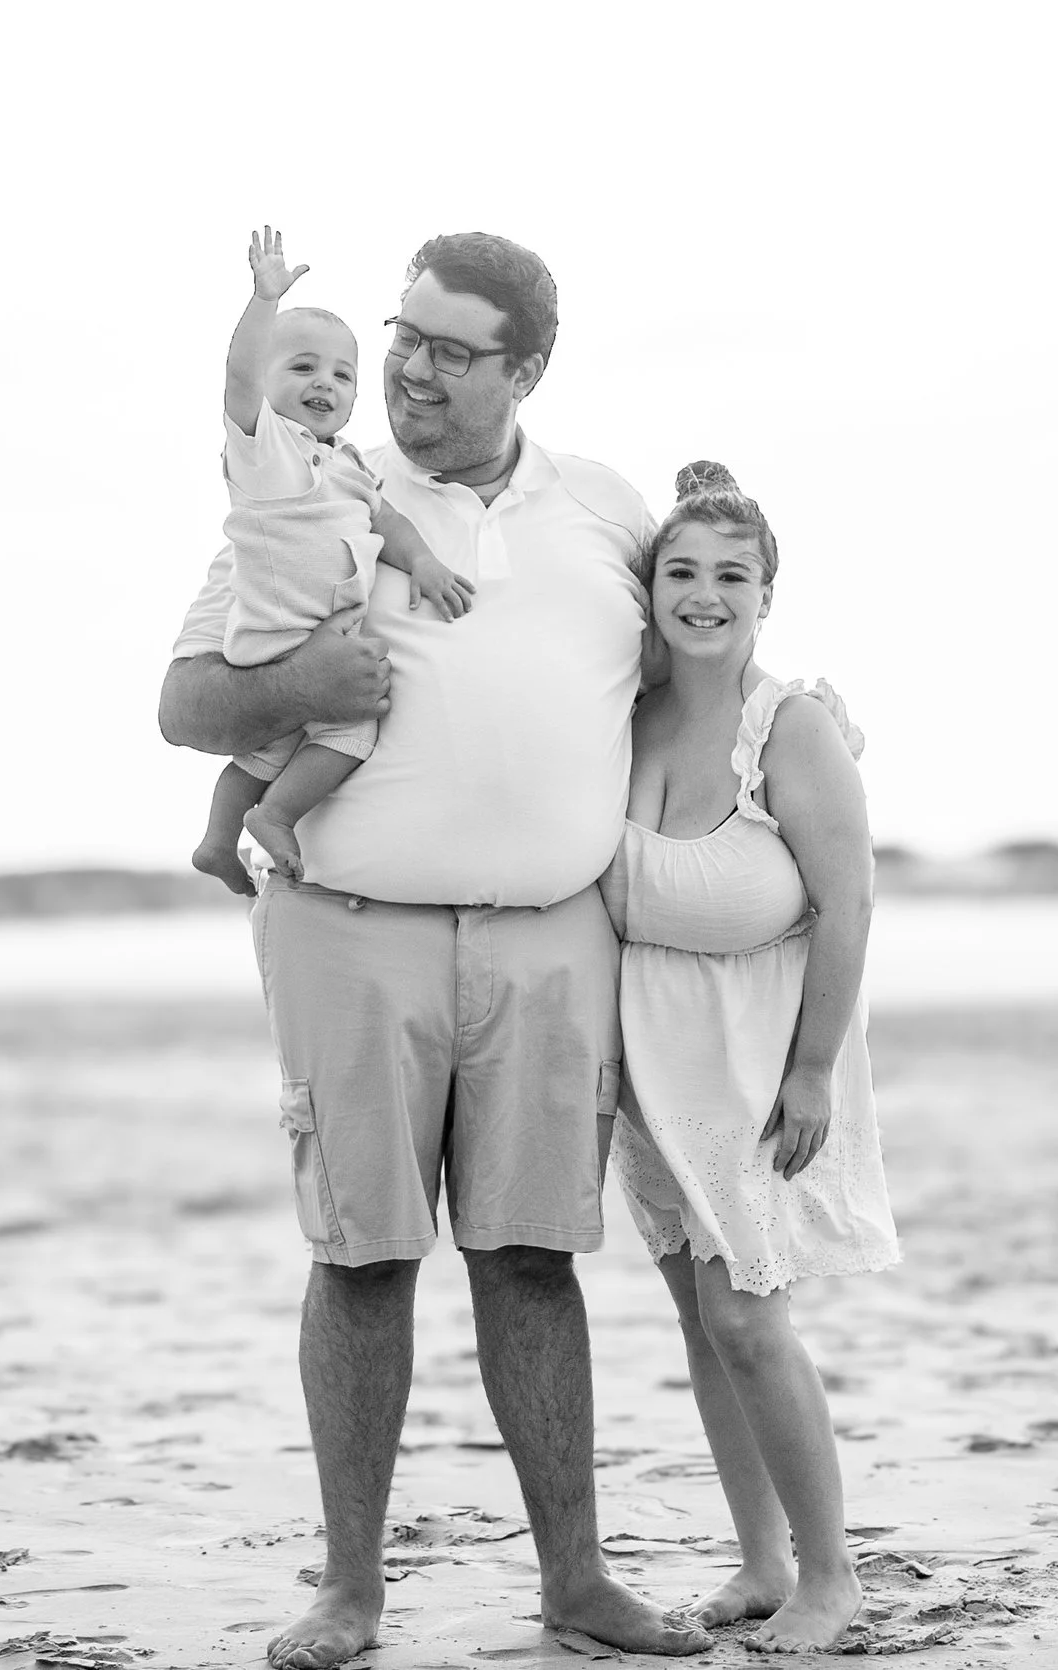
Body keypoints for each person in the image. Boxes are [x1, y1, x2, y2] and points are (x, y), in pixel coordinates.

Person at [159, 232, 712, 1663]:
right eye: (403, 334)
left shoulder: (600, 508)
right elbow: (184, 702)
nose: (405, 364)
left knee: (534, 1258)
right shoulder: (315, 481)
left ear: (526, 368)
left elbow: (687, 677)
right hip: (350, 933)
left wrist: (804, 739)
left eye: (448, 347)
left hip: (550, 941)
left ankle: (577, 1581)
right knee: (362, 1261)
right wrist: (303, 683)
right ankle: (349, 1588)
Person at [607, 462, 898, 1653]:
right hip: (652, 1069)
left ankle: (831, 1578)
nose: (705, 593)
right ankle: (762, 1562)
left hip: (765, 1067)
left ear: (766, 595)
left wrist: (814, 1067)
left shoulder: (792, 724)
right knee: (697, 1315)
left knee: (747, 1319)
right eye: (682, 571)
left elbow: (851, 899)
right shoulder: (619, 714)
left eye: (732, 574)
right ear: (651, 587)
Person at [190, 228, 473, 896]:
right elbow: (237, 377)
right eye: (302, 367)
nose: (325, 383)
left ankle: (215, 843)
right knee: (350, 736)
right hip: (278, 634)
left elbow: (388, 521)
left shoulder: (345, 463)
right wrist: (264, 303)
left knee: (264, 753)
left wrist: (424, 563)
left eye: (342, 374)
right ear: (265, 384)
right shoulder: (268, 451)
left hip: (316, 631)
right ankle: (278, 816)